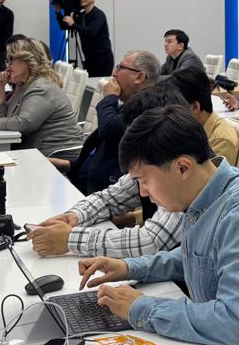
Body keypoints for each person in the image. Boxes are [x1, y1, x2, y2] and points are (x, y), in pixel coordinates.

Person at [77, 104, 239, 345]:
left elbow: (236, 322)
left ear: (182, 167)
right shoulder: (204, 194)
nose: (143, 193)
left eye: (144, 180)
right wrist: (128, 267)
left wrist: (141, 307)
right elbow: (197, 258)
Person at [30, 83, 187, 258]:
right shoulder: (154, 162)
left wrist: (71, 239)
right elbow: (109, 199)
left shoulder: (182, 179)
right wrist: (73, 216)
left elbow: (151, 240)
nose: (142, 190)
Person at [61, 50, 160, 194]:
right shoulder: (128, 104)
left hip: (105, 192)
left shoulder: (147, 107)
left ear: (139, 77)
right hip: (87, 184)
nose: (114, 73)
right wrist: (69, 165)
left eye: (121, 68)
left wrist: (109, 97)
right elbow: (101, 153)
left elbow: (110, 131)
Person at [0, 38, 80, 156]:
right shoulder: (23, 85)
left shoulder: (41, 87)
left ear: (27, 60)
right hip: (37, 152)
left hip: (56, 155)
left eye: (11, 60)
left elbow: (24, 124)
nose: (7, 66)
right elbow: (1, 116)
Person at [170, 64, 239, 164]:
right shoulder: (190, 129)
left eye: (177, 107)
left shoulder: (221, 140)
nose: (173, 113)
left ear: (195, 107)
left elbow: (208, 175)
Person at [59, 0, 114, 77]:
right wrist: (58, 13)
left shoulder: (98, 14)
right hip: (89, 58)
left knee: (101, 83)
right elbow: (65, 26)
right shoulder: (82, 15)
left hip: (102, 58)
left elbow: (92, 32)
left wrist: (73, 24)